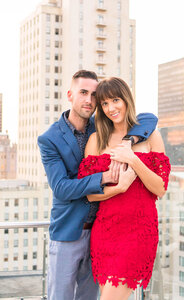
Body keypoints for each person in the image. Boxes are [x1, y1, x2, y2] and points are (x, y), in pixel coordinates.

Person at [37, 70, 158, 300]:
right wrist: (104, 178)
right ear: (70, 95)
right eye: (83, 93)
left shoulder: (100, 125)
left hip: (100, 234)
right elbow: (62, 188)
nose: (89, 100)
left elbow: (150, 119)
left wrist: (128, 140)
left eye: (94, 95)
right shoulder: (49, 138)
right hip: (68, 233)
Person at [78, 77, 171, 300]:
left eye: (116, 100)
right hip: (105, 231)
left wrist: (134, 160)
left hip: (138, 232)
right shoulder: (95, 140)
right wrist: (119, 188)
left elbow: (160, 188)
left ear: (126, 99)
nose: (111, 108)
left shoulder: (150, 135)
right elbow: (89, 195)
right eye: (105, 104)